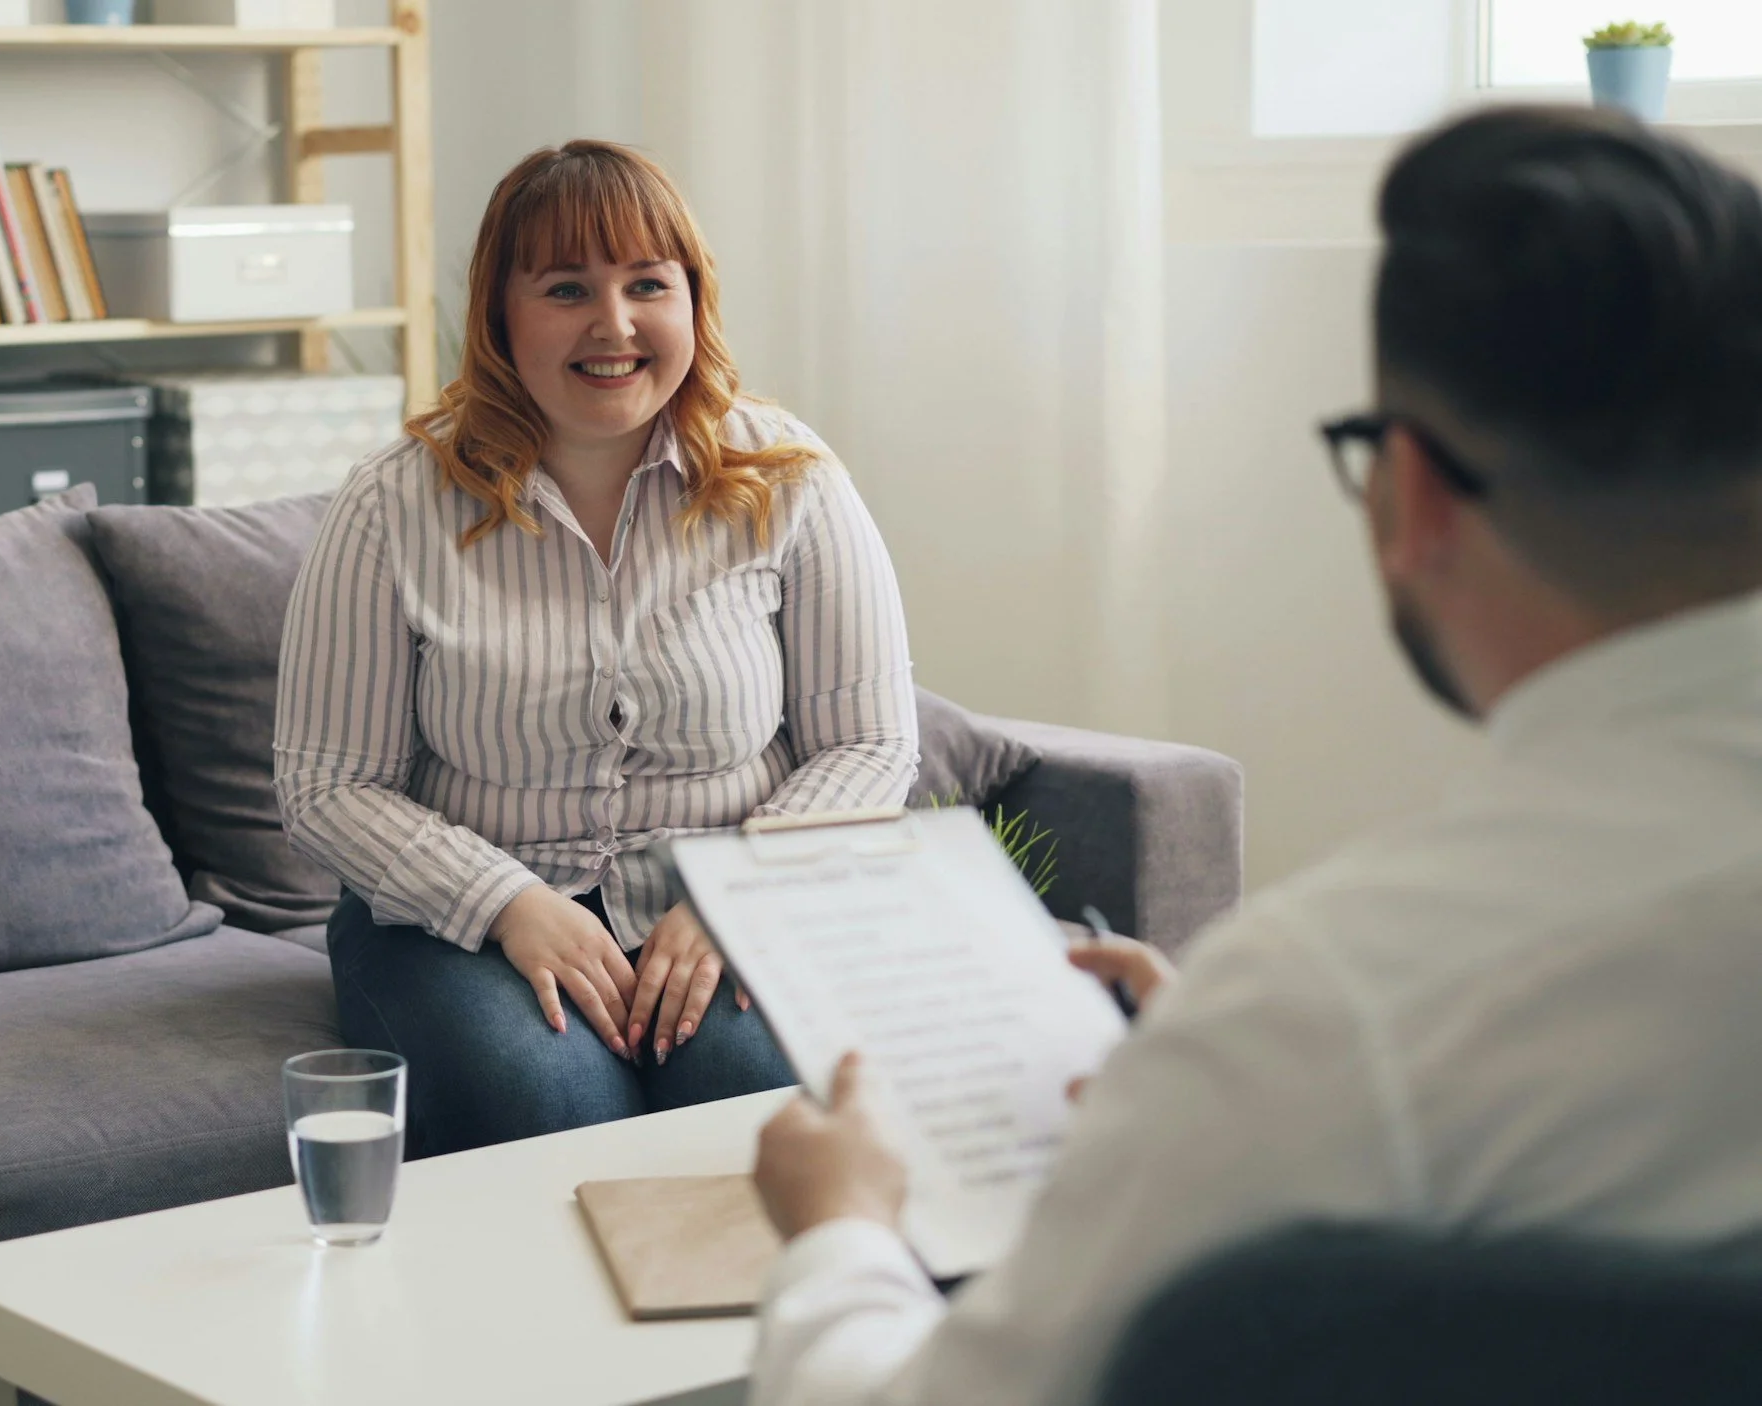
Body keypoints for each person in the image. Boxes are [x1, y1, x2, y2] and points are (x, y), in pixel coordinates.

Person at [747, 105, 1762, 1405]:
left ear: (1413, 498)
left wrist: (841, 1226)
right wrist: (1227, 1069)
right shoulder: (1308, 1032)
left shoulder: (1327, 1009)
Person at [274, 141, 920, 1157]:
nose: (612, 324)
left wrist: (735, 894)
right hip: (464, 923)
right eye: (566, 287)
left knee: (750, 1095)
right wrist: (507, 903)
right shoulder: (390, 503)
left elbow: (871, 745)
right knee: (548, 1101)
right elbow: (325, 782)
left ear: (692, 303)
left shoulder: (789, 477)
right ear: (500, 316)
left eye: (646, 285)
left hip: (731, 903)